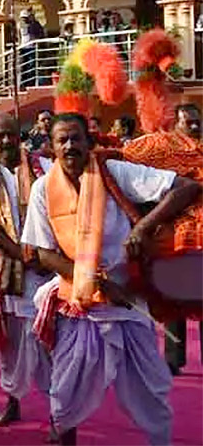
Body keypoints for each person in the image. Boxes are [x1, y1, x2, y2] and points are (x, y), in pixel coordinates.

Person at [22, 113, 199, 445]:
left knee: (151, 391)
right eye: (63, 140)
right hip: (79, 303)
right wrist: (96, 282)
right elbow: (41, 252)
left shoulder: (114, 171)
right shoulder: (43, 189)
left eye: (76, 138)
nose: (70, 146)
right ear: (52, 147)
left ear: (90, 142)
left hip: (129, 301)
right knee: (66, 394)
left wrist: (143, 228)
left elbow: (186, 188)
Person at [0, 112, 53, 433]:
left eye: (10, 134)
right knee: (11, 347)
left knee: (51, 345)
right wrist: (26, 256)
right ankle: (13, 402)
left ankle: (58, 413)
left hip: (47, 273)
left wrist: (43, 257)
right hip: (11, 274)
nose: (5, 141)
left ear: (19, 136)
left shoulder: (44, 169)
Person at [164, 103, 203, 375]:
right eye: (188, 122)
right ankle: (172, 360)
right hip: (175, 240)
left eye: (197, 122)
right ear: (175, 125)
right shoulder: (164, 157)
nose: (194, 127)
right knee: (173, 301)